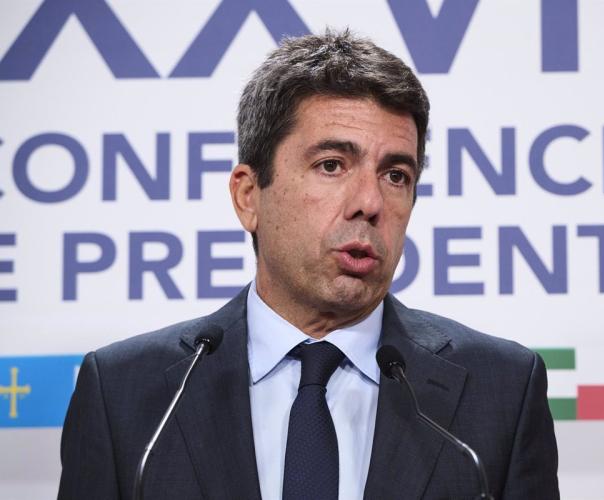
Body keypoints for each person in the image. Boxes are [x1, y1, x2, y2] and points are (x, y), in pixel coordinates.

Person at [58, 29, 559, 500]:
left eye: (396, 175)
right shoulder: (124, 394)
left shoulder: (503, 390)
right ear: (249, 196)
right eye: (331, 165)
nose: (370, 203)